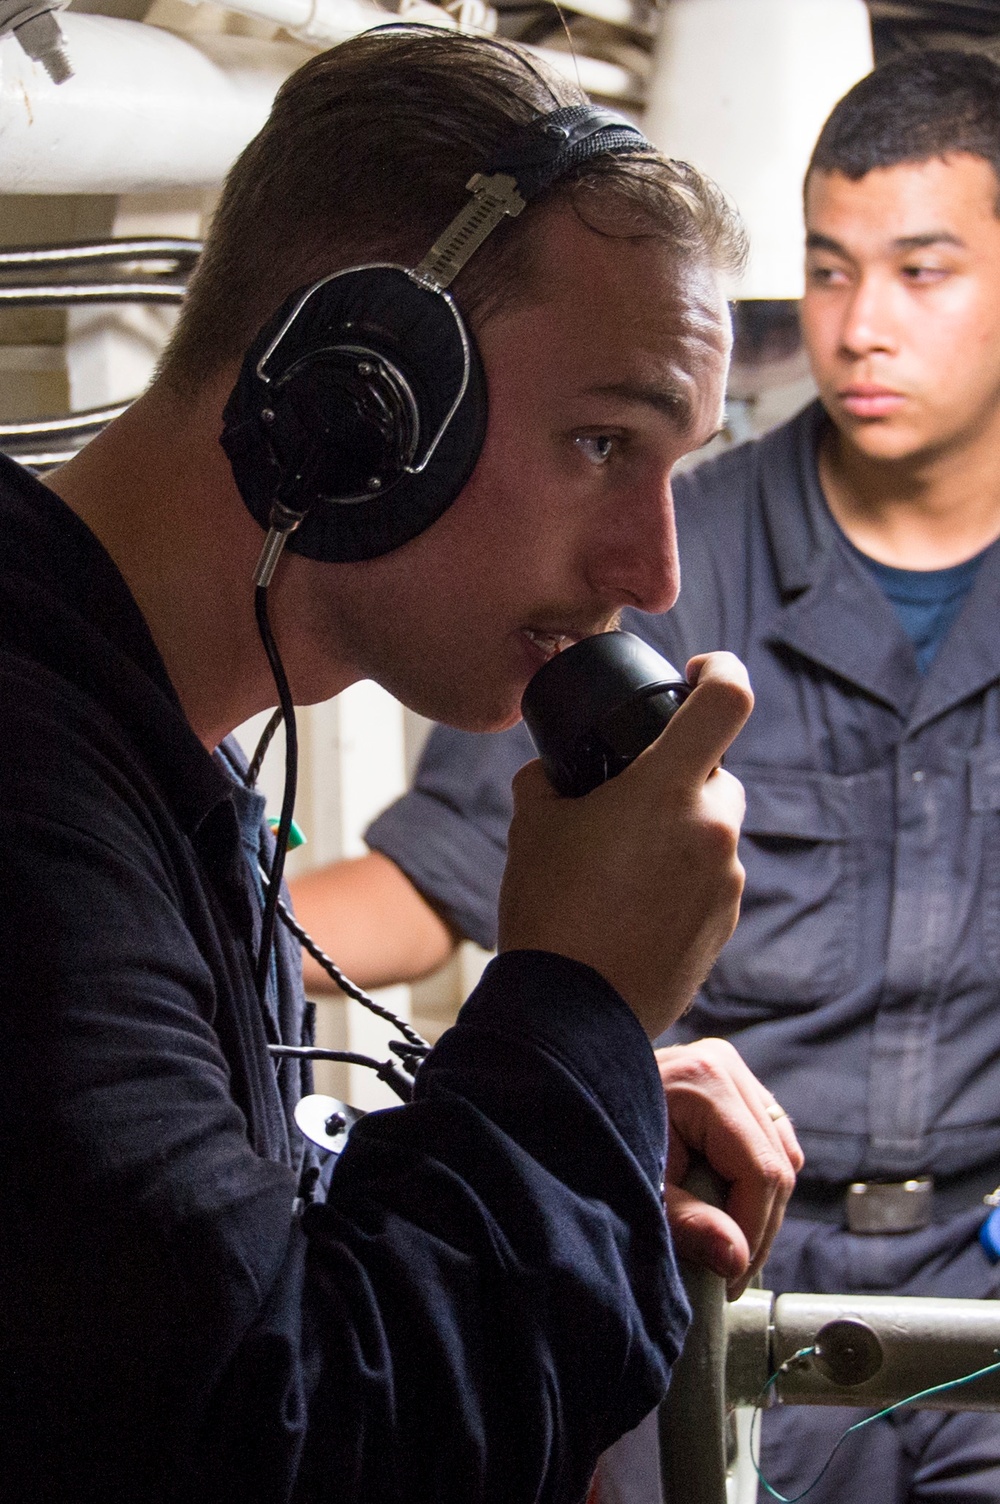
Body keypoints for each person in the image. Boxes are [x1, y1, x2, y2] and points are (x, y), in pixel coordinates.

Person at [0, 27, 803, 1504]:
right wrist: (581, 1004)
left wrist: (569, 1108)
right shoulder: (30, 799)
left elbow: (168, 1276)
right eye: (600, 443)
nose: (654, 567)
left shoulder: (143, 734)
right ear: (359, 390)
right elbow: (291, 1441)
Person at [292, 48, 1000, 1501]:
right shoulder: (657, 557)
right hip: (732, 1275)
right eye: (830, 267)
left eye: (923, 273)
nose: (862, 325)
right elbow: (435, 886)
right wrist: (216, 943)